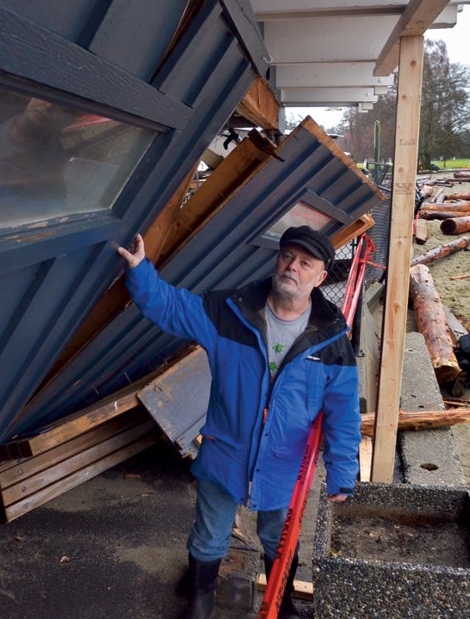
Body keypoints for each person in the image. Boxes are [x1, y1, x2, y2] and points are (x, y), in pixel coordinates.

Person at [117, 225, 362, 619]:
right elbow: (173, 308)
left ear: (320, 277)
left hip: (286, 464)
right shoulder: (229, 313)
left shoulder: (332, 341)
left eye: (305, 263)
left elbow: (343, 414)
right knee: (210, 533)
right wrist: (141, 269)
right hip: (225, 452)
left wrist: (342, 472)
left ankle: (281, 605)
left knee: (279, 538)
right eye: (286, 257)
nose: (292, 267)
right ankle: (200, 603)